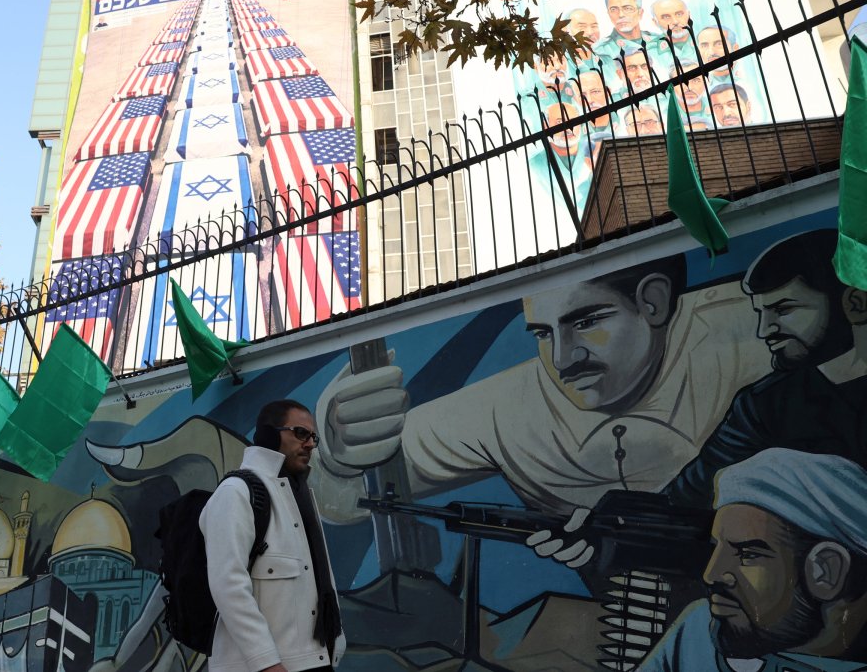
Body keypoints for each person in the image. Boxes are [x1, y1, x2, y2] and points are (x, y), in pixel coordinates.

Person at [312, 255, 770, 521]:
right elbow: (344, 496)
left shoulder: (752, 329)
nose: (562, 358)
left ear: (653, 301)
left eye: (587, 322)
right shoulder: (506, 411)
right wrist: (334, 449)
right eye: (543, 333)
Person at [663, 229, 867, 508]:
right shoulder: (763, 405)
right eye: (762, 313)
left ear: (855, 304)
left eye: (783, 310)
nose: (765, 330)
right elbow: (686, 499)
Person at [639, 448, 867, 670]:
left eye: (747, 554)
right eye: (716, 549)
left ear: (826, 571)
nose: (711, 575)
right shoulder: (698, 628)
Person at [200, 400, 346, 672]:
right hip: (265, 666)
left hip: (313, 659)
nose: (310, 444)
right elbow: (228, 584)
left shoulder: (298, 495)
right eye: (300, 433)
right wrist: (266, 662)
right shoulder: (235, 492)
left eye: (313, 437)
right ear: (269, 435)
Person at [595, 0, 662, 58]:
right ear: (608, 14)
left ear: (640, 13)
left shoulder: (659, 40)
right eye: (613, 9)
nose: (621, 15)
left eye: (628, 8)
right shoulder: (601, 50)